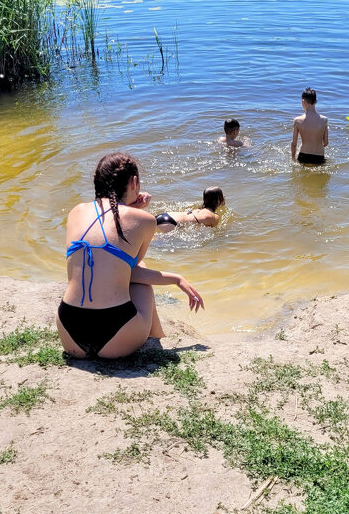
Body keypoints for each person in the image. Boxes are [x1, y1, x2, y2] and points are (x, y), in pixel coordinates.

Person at [57, 152, 204, 360]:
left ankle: (157, 335)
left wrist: (128, 207)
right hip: (117, 335)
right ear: (134, 182)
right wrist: (176, 279)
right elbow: (132, 269)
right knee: (140, 274)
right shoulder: (144, 220)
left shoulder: (76, 212)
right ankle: (157, 336)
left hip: (69, 329)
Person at [156, 187, 225, 233]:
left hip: (165, 215)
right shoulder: (213, 217)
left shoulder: (197, 210)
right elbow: (216, 232)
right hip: (171, 223)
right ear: (218, 200)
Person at [291, 88, 329, 165]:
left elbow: (294, 144)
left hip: (303, 155)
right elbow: (325, 143)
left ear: (303, 101)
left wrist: (293, 158)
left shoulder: (297, 121)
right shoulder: (324, 120)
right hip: (319, 156)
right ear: (316, 101)